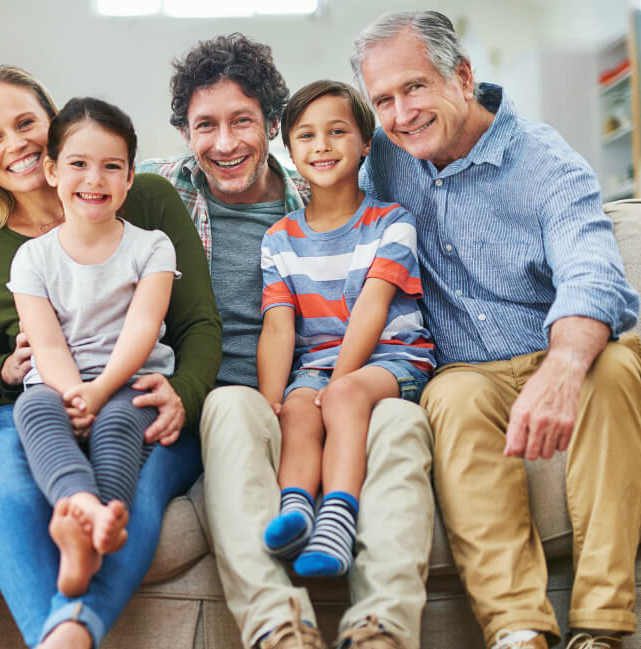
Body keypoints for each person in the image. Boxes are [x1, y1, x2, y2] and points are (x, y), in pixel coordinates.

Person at [352, 11, 641, 649]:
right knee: (449, 397)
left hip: (561, 348)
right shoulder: (383, 161)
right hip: (470, 374)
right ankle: (518, 630)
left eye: (415, 88)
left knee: (610, 367)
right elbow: (313, 179)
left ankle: (601, 628)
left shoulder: (547, 163)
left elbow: (593, 276)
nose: (401, 113)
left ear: (462, 77)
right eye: (383, 100)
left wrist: (563, 367)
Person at [140, 33, 436, 649]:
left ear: (273, 124)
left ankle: (381, 628)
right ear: (185, 132)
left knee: (403, 426)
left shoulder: (322, 189)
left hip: (341, 386)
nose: (224, 144)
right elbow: (72, 191)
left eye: (242, 122)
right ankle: (281, 627)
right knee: (228, 405)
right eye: (205, 126)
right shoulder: (158, 192)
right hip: (247, 406)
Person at [0, 66, 221, 649]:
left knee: (134, 484)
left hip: (142, 393)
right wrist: (7, 370)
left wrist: (185, 393)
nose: (15, 143)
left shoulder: (144, 201)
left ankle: (70, 632)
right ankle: (66, 632)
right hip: (41, 400)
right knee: (18, 495)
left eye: (25, 123)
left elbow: (195, 321)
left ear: (54, 122)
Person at [257, 80, 435, 579]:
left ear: (365, 144)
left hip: (394, 359)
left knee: (342, 397)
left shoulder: (391, 222)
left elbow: (373, 308)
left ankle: (336, 520)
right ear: (289, 151)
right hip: (315, 367)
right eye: (307, 136)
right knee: (296, 410)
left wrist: (338, 382)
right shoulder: (279, 238)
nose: (323, 146)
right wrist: (272, 398)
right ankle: (295, 511)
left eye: (338, 132)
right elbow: (278, 328)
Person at [9, 97, 178, 598]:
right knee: (33, 409)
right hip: (59, 384)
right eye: (79, 164)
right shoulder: (32, 259)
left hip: (129, 380)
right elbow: (46, 344)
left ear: (130, 177)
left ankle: (87, 531)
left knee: (123, 422)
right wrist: (74, 394)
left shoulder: (151, 247)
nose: (94, 179)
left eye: (112, 167)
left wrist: (102, 391)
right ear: (52, 170)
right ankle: (85, 507)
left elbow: (143, 327)